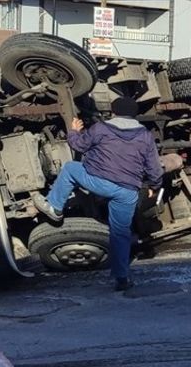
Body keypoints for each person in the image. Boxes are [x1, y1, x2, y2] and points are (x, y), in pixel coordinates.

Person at [32, 97, 162, 292]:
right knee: (120, 234)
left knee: (70, 168)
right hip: (127, 191)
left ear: (114, 111)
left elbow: (79, 146)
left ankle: (55, 207)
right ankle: (122, 278)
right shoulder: (144, 135)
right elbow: (154, 168)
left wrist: (74, 131)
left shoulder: (102, 128)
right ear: (135, 114)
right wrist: (154, 185)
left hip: (99, 182)